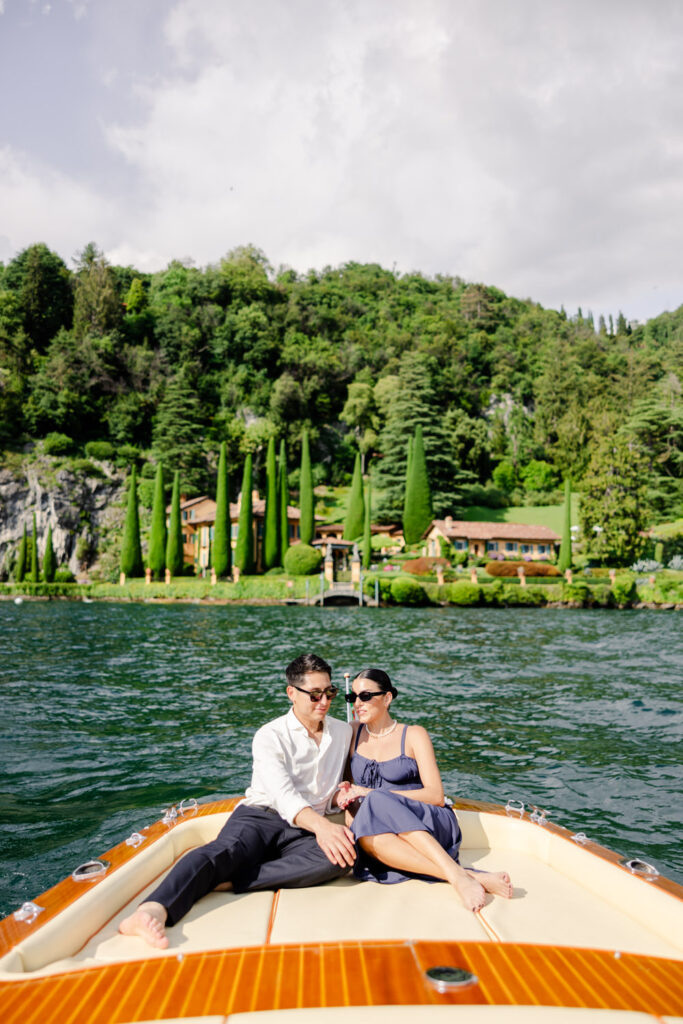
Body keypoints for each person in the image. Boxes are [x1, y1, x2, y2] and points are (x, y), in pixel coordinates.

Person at [120, 653, 355, 948]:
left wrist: (339, 795)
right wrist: (324, 827)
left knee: (341, 858)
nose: (324, 701)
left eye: (330, 692)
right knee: (224, 851)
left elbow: (325, 788)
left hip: (304, 829)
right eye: (316, 694)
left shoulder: (344, 731)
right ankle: (150, 911)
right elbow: (283, 795)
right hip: (262, 816)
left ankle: (227, 880)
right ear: (292, 693)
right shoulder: (269, 736)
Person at [337, 668, 512, 913]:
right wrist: (345, 794)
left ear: (387, 698)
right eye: (352, 697)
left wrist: (371, 794)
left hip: (427, 820)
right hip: (380, 829)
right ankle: (466, 876)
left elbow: (436, 796)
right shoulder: (352, 733)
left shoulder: (414, 735)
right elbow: (349, 788)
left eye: (365, 696)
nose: (357, 703)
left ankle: (456, 876)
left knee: (377, 798)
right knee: (367, 834)